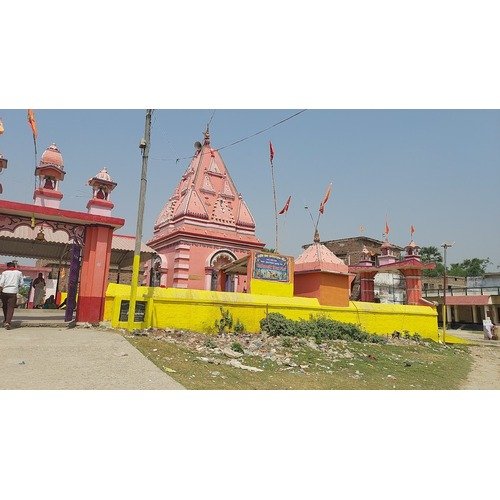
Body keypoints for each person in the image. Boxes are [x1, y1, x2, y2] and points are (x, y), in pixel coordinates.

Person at [0, 262, 24, 329]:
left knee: (5, 307)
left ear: (7, 266)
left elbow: (1, 283)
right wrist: (17, 286)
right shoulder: (19, 273)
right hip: (13, 292)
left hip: (4, 291)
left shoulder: (4, 273)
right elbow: (22, 284)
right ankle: (8, 322)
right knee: (11, 307)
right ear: (14, 266)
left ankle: (5, 320)